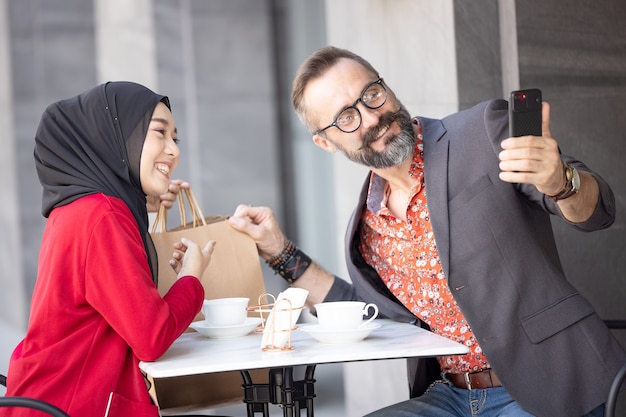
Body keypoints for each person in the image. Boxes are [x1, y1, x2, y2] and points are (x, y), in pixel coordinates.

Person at [226, 46, 626, 417]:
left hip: (548, 385)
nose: (370, 117)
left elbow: (599, 212)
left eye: (371, 94)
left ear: (386, 86)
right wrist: (279, 251)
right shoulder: (368, 229)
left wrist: (561, 181)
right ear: (326, 142)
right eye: (346, 118)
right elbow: (364, 315)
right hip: (448, 396)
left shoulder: (481, 132)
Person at [3, 82, 214, 417]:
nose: (174, 150)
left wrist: (142, 201)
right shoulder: (103, 215)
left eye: (176, 138)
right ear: (113, 137)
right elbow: (151, 336)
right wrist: (192, 277)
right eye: (159, 132)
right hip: (73, 403)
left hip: (52, 397)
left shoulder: (75, 210)